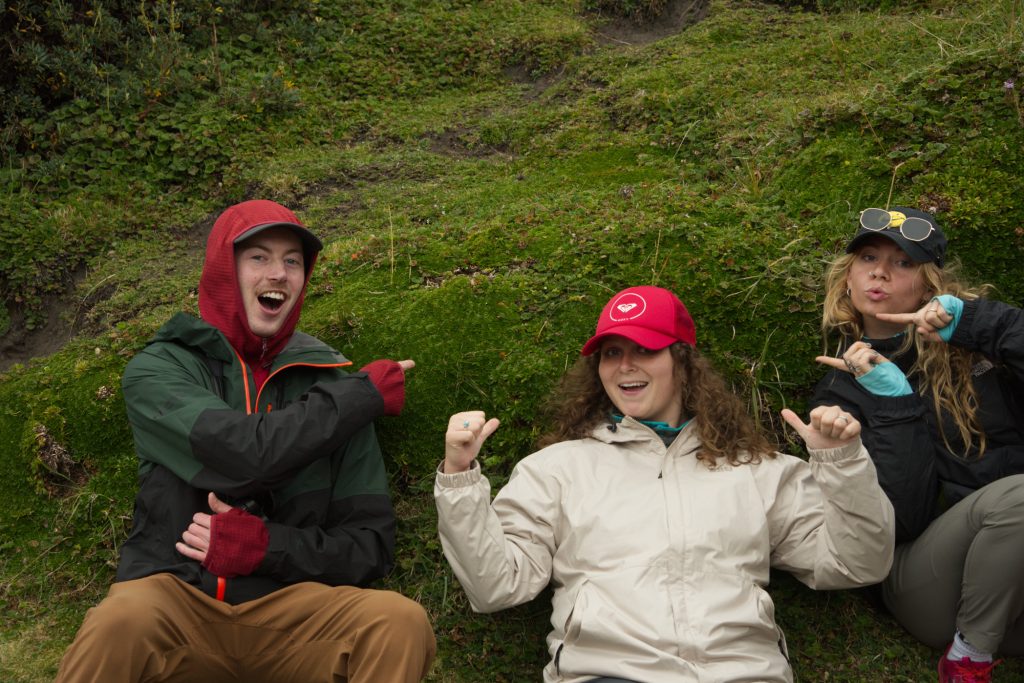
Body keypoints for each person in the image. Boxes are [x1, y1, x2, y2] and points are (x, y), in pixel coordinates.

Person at [55, 199, 435, 683]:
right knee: (119, 621)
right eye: (258, 257)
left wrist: (267, 547)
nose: (278, 273)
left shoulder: (337, 387)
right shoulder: (158, 370)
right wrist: (359, 398)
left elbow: (369, 548)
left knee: (399, 622)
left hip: (294, 611)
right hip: (176, 600)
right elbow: (246, 455)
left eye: (292, 261)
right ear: (223, 269)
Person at [434, 285, 895, 683]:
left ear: (683, 361)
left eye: (645, 350)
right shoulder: (555, 469)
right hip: (608, 673)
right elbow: (495, 587)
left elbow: (857, 564)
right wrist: (458, 478)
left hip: (743, 671)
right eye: (611, 353)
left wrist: (841, 462)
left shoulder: (757, 470)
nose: (624, 366)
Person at [811, 206, 1024, 682]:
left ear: (930, 285)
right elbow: (897, 521)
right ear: (848, 278)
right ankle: (967, 658)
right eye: (868, 258)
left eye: (903, 262)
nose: (881, 272)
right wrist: (896, 406)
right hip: (923, 582)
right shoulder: (840, 389)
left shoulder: (975, 347)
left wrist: (979, 325)